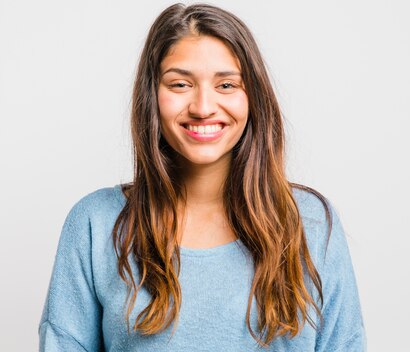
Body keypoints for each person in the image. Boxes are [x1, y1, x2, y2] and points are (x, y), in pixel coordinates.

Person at [38, 3, 365, 351]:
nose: (203, 106)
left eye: (226, 85)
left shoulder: (311, 224)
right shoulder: (96, 223)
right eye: (180, 84)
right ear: (152, 96)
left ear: (252, 97)